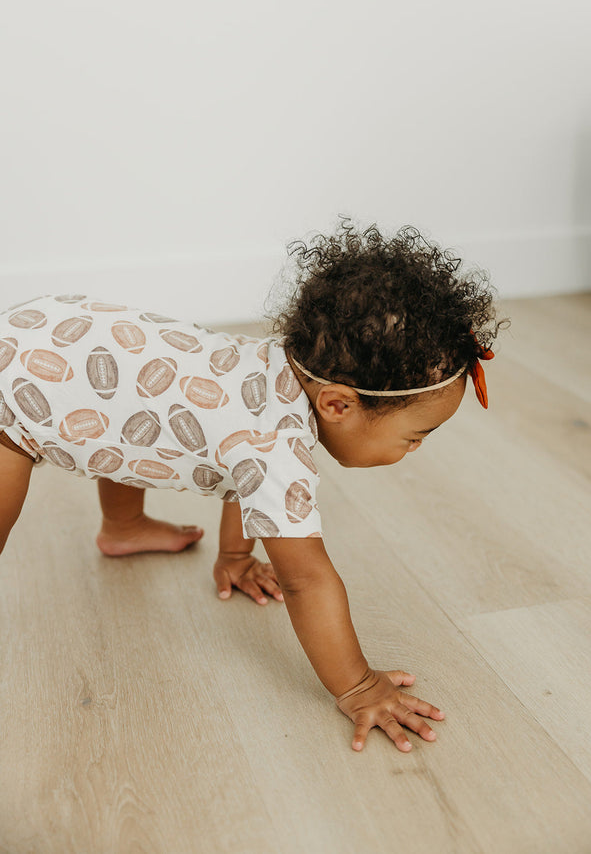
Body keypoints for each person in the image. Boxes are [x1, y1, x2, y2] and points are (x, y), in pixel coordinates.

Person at [0, 221, 501, 753]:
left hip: (61, 336)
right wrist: (358, 685)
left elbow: (246, 476)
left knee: (123, 414)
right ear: (337, 405)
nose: (415, 448)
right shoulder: (276, 446)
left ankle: (123, 527)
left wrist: (236, 556)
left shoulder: (268, 370)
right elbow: (306, 580)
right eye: (414, 435)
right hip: (17, 386)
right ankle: (118, 522)